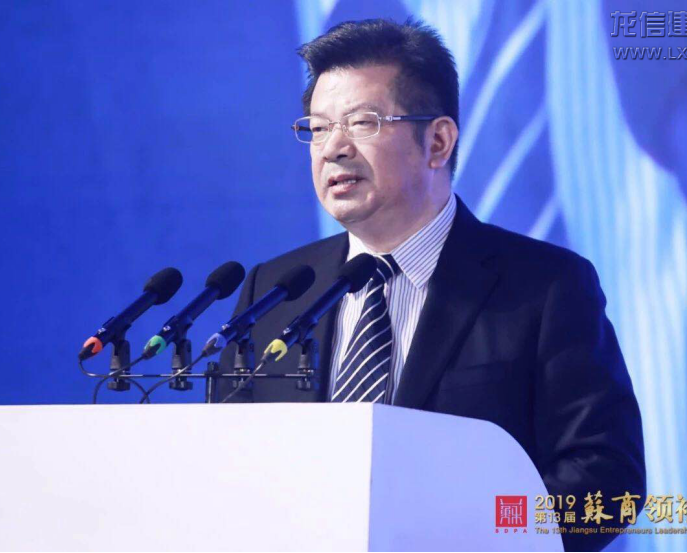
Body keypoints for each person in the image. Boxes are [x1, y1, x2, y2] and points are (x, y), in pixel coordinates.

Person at [218, 18, 645, 552]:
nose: (333, 149)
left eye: (363, 123)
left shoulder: (545, 287)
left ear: (438, 141)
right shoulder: (276, 292)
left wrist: (462, 534)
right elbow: (224, 467)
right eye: (319, 128)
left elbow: (605, 480)